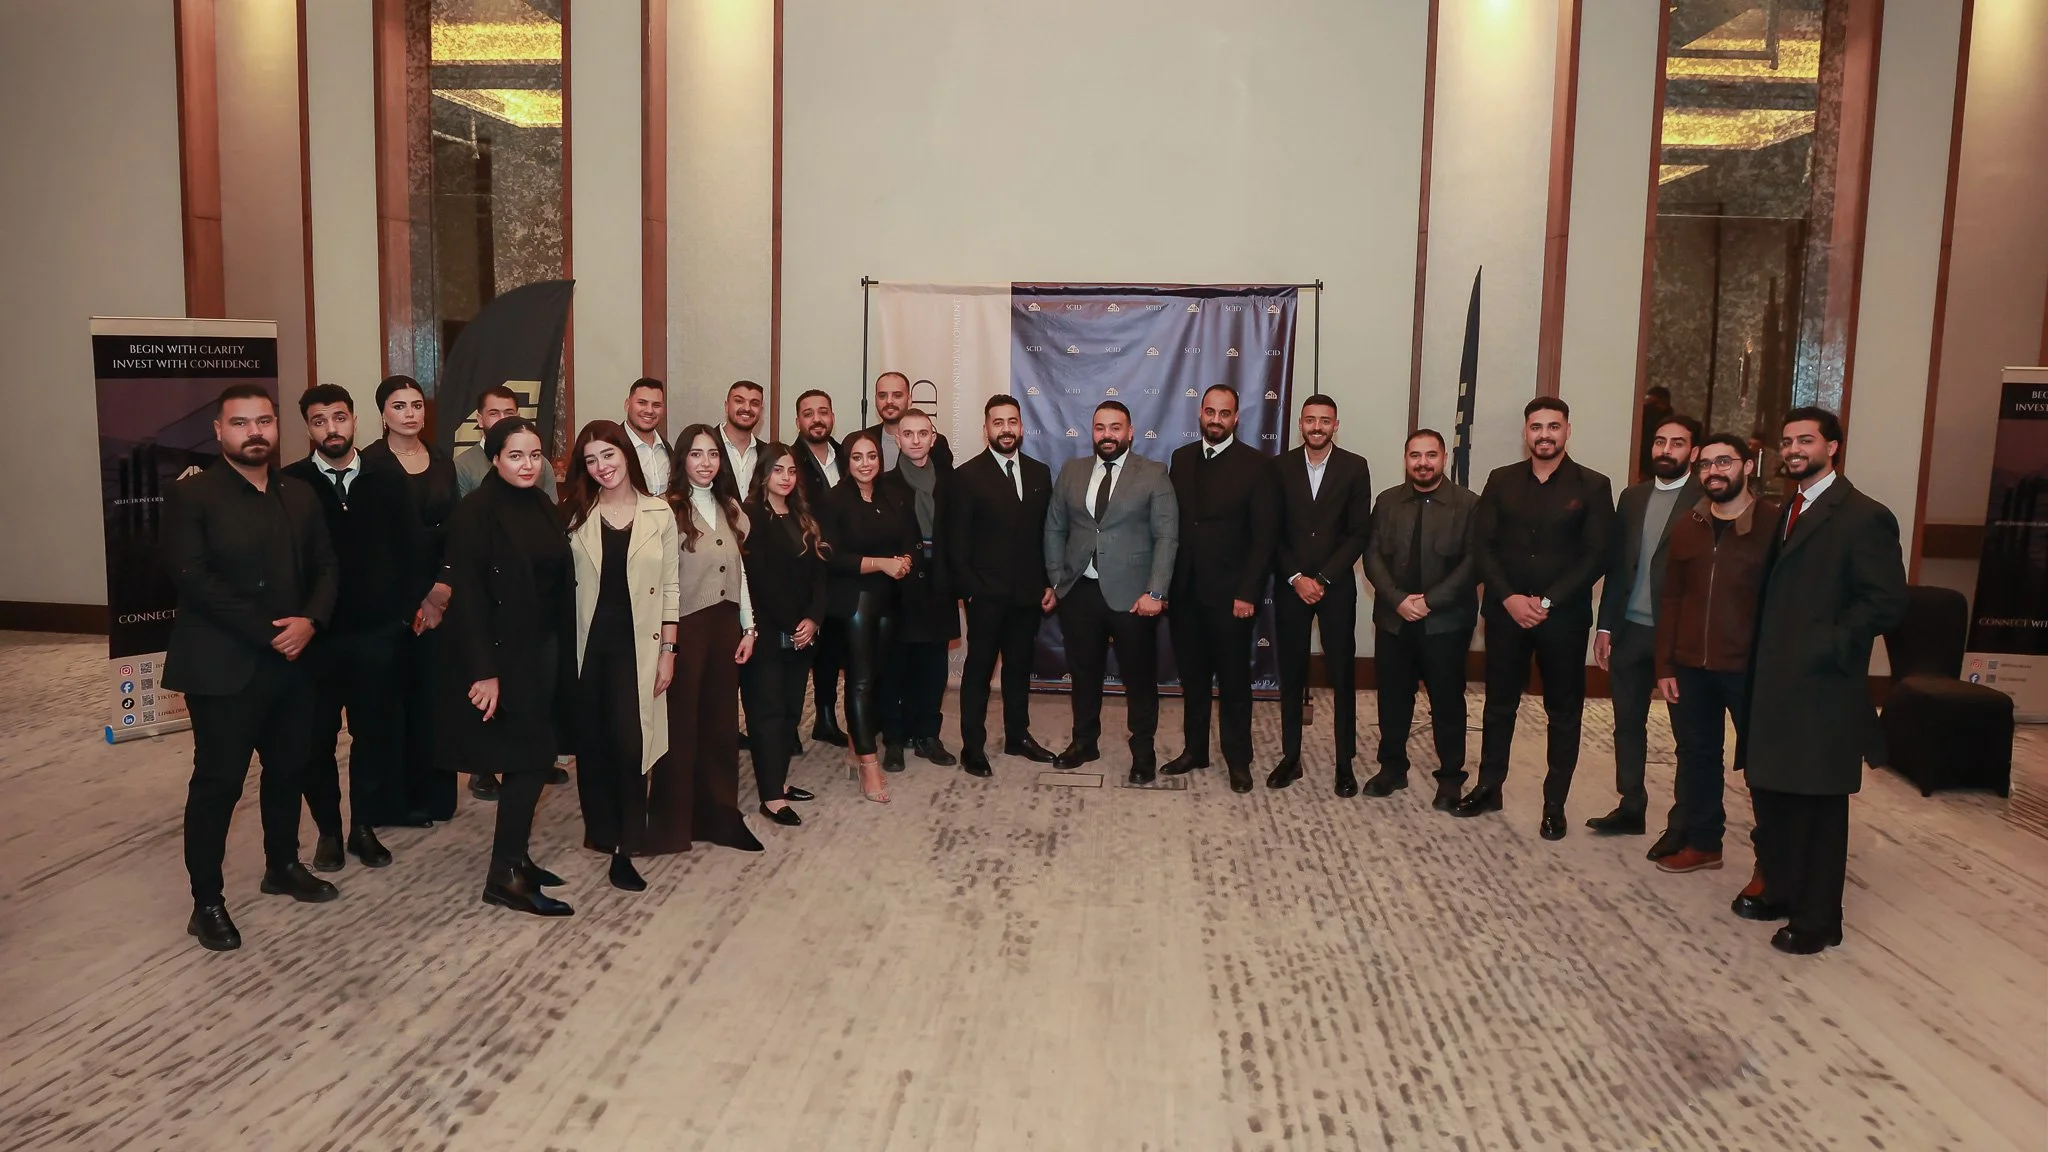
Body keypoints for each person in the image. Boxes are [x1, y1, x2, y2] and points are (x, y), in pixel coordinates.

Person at [164, 383, 340, 951]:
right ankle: (206, 902)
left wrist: (310, 621)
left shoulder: (299, 493)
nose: (254, 432)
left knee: (289, 768)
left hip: (295, 662)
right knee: (219, 784)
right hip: (224, 665)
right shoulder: (193, 496)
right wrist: (273, 634)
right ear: (219, 431)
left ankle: (282, 865)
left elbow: (327, 567)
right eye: (240, 423)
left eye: (263, 421)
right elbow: (193, 579)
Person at [1742, 408, 1906, 954]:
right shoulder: (1787, 508)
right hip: (1774, 685)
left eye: (1805, 440)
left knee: (1817, 805)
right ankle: (1782, 890)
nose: (1793, 449)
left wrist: (1826, 645)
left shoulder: (1863, 515)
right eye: (1787, 441)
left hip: (1823, 688)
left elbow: (1885, 602)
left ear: (1832, 447)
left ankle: (1818, 920)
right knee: (1774, 794)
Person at [1460, 397, 1616, 840]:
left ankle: (1554, 804)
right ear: (1525, 432)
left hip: (1562, 618)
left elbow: (1597, 554)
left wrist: (1546, 602)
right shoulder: (1501, 480)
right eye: (1536, 427)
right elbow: (1482, 546)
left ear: (1567, 430)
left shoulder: (1593, 485)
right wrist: (1509, 598)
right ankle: (1489, 786)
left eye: (1553, 426)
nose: (1544, 435)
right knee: (1499, 704)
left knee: (1563, 712)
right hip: (1506, 613)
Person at [284, 383, 425, 871]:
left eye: (339, 417)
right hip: (315, 641)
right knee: (315, 741)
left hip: (376, 636)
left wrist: (402, 616)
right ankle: (328, 830)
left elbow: (412, 550)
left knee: (374, 735)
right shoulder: (291, 484)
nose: (332, 428)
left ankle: (363, 826)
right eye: (320, 420)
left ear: (355, 420)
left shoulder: (387, 478)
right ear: (308, 427)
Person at [441, 417, 576, 917]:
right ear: (494, 458)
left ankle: (517, 857)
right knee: (526, 758)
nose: (527, 464)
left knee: (539, 756)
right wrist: (485, 671)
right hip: (505, 653)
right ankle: (504, 875)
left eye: (535, 455)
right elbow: (468, 598)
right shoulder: (476, 510)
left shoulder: (540, 502)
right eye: (515, 455)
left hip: (545, 647)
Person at [1652, 433, 1776, 885]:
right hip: (1690, 667)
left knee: (1763, 766)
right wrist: (1665, 664)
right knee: (1697, 756)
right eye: (1705, 464)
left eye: (1724, 462)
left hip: (1750, 668)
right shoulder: (1689, 524)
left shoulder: (1775, 525)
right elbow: (1671, 598)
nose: (1714, 471)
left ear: (1747, 466)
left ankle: (1771, 863)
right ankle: (1705, 843)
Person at [562, 420, 679, 892]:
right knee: (593, 746)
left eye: (608, 455)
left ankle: (627, 844)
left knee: (632, 745)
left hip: (640, 647)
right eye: (590, 460)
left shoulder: (659, 513)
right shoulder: (575, 514)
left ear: (625, 454)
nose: (601, 467)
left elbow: (670, 587)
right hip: (588, 647)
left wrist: (669, 650)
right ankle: (603, 832)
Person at [1044, 401, 1179, 784]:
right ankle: (1084, 742)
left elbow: (1167, 536)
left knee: (1139, 677)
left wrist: (1156, 591)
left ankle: (1143, 752)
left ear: (1130, 432)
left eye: (1115, 427)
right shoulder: (1072, 471)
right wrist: (1057, 579)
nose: (1107, 435)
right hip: (1079, 591)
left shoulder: (1153, 473)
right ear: (1093, 432)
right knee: (1084, 673)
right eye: (1100, 427)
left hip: (1134, 596)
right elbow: (1054, 527)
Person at [1589, 414, 1703, 838]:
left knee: (1687, 734)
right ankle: (1630, 806)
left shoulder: (1705, 497)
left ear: (1693, 452)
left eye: (1677, 443)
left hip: (1679, 636)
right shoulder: (1632, 497)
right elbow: (1618, 565)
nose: (1665, 450)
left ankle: (1684, 822)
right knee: (1626, 724)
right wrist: (1604, 626)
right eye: (1659, 441)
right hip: (1630, 629)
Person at [652, 424, 763, 853]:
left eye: (713, 454)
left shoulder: (731, 509)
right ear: (682, 459)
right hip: (684, 626)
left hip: (724, 627)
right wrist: (665, 643)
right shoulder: (664, 510)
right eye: (696, 454)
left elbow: (741, 573)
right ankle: (671, 824)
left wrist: (749, 627)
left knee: (721, 725)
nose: (706, 462)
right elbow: (660, 582)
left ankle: (720, 817)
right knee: (680, 726)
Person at [1164, 385, 1279, 794]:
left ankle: (1238, 759)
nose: (1216, 420)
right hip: (1185, 593)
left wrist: (1248, 593)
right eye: (1210, 412)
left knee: (1233, 685)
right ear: (1200, 413)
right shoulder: (1181, 458)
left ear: (1236, 418)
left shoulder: (1257, 465)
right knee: (1193, 681)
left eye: (1224, 413)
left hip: (1232, 598)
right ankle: (1195, 750)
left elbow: (1264, 538)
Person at [359, 374, 464, 820]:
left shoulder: (442, 460)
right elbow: (369, 543)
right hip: (388, 600)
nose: (410, 414)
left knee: (433, 699)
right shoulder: (369, 463)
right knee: (390, 702)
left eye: (416, 405)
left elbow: (456, 529)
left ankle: (434, 798)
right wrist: (412, 601)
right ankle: (393, 803)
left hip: (440, 594)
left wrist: (440, 589)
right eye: (399, 406)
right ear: (383, 414)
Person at [1361, 428, 1478, 810]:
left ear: (1443, 458)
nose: (1422, 463)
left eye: (1430, 455)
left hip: (1446, 623)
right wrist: (1397, 600)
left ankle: (1450, 778)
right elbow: (1372, 555)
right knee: (1393, 697)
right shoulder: (1387, 501)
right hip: (1394, 620)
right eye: (1415, 455)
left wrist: (1429, 602)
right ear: (1406, 459)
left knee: (1447, 701)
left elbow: (1473, 563)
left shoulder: (1468, 505)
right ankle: (1392, 768)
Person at [948, 395, 1058, 778]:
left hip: (1028, 594)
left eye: (1012, 421)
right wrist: (971, 591)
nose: (1006, 429)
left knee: (1018, 669)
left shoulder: (1040, 473)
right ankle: (972, 747)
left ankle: (1018, 736)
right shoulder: (966, 476)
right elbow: (956, 543)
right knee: (979, 672)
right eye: (998, 422)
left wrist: (1049, 582)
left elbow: (1046, 535)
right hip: (986, 596)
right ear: (986, 429)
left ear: (1022, 427)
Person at [1268, 395, 1373, 795]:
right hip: (1291, 587)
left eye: (1324, 420)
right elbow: (1272, 531)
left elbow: (1359, 533)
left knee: (1342, 676)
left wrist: (1324, 578)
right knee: (1292, 674)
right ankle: (1290, 757)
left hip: (1336, 588)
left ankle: (1344, 763)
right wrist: (1297, 577)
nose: (1317, 427)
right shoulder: (1279, 468)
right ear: (1300, 424)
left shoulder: (1355, 467)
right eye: (1310, 420)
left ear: (1335, 425)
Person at [821, 429, 919, 803]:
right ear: (847, 462)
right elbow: (831, 556)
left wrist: (905, 559)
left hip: (889, 598)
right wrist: (882, 563)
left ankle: (854, 743)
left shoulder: (892, 494)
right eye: (857, 457)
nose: (866, 464)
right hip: (853, 599)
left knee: (877, 677)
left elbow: (910, 539)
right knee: (860, 680)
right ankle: (868, 764)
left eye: (872, 456)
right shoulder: (834, 500)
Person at [740, 444, 829, 825]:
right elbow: (759, 580)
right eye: (778, 470)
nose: (786, 477)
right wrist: (795, 624)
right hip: (766, 633)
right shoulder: (750, 516)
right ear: (763, 474)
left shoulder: (801, 514)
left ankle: (778, 782)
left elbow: (820, 573)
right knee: (768, 714)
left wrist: (814, 619)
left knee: (791, 711)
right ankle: (771, 797)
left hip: (801, 633)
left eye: (791, 471)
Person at [878, 409, 959, 770]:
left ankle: (927, 734)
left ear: (933, 438)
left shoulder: (950, 481)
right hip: (898, 587)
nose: (915, 440)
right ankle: (894, 739)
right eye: (908, 434)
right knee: (895, 666)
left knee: (933, 667)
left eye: (922, 433)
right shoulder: (884, 484)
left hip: (939, 584)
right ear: (897, 439)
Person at [792, 388, 850, 748]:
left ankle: (826, 719)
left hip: (842, 568)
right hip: (803, 567)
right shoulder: (788, 460)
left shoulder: (848, 455)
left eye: (823, 412)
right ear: (798, 420)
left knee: (832, 648)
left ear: (832, 417)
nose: (817, 419)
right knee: (800, 649)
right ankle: (788, 726)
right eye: (809, 413)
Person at [455, 385, 557, 499]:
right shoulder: (462, 466)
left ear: (518, 417)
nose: (503, 419)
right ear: (480, 419)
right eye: (494, 413)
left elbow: (551, 508)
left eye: (509, 413)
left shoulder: (540, 465)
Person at [863, 371, 954, 471]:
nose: (889, 401)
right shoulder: (862, 440)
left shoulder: (936, 444)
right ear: (875, 400)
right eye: (882, 396)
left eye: (897, 395)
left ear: (909, 400)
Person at [623, 377, 673, 496]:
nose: (649, 410)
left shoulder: (667, 449)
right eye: (642, 403)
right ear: (627, 405)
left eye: (656, 405)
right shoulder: (612, 445)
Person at [716, 380, 765, 496]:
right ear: (726, 406)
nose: (747, 408)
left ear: (760, 411)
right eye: (739, 401)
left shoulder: (765, 452)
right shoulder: (705, 444)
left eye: (754, 403)